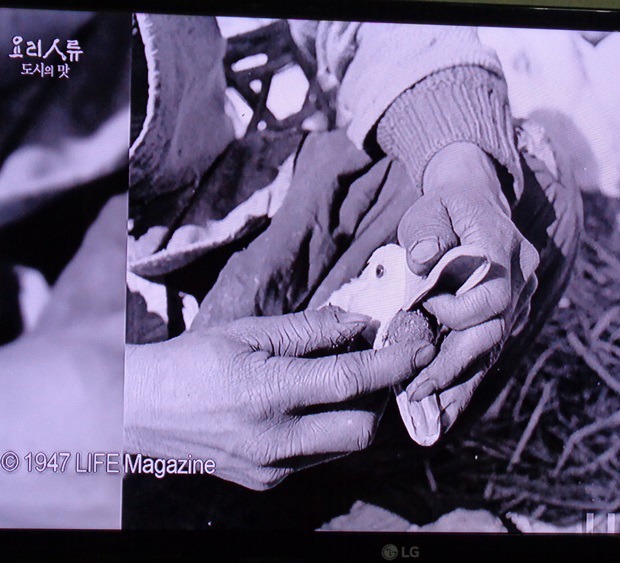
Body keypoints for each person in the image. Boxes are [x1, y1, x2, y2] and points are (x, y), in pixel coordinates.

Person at [124, 16, 582, 492]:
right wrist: (142, 401)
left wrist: (462, 169)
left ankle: (360, 476)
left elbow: (362, 22)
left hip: (219, 201)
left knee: (537, 197)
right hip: (95, 389)